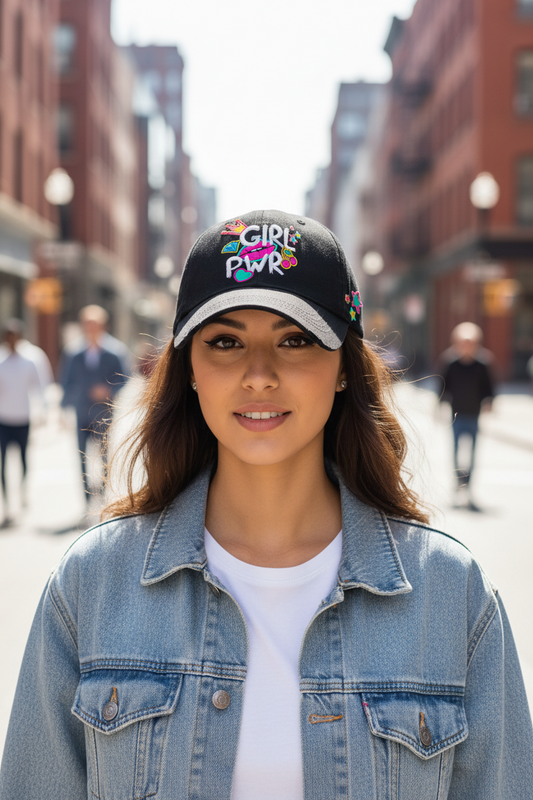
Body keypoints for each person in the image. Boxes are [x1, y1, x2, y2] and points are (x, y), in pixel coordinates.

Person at [1, 210, 531, 799]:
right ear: (191, 368)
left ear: (343, 368)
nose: (258, 375)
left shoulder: (453, 595)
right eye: (225, 342)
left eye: (295, 340)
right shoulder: (91, 584)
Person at [60, 305, 128, 501]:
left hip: (103, 413)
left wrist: (109, 391)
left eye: (94, 324)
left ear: (103, 325)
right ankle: (86, 496)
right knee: (82, 455)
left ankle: (104, 492)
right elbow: (66, 382)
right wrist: (63, 411)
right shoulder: (73, 352)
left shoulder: (115, 351)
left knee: (104, 455)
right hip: (81, 412)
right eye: (87, 324)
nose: (91, 328)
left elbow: (124, 379)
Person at [438, 322, 494, 508]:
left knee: (472, 453)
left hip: (474, 415)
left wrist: (489, 402)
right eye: (463, 342)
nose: (467, 346)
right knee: (455, 451)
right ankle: (457, 484)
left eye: (470, 342)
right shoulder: (450, 363)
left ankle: (468, 486)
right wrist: (439, 405)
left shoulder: (482, 363)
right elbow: (443, 385)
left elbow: (489, 387)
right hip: (456, 415)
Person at [0, 321, 42, 527]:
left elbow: (38, 387)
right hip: (3, 419)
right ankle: (8, 502)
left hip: (23, 418)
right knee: (3, 463)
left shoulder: (29, 360)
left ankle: (23, 491)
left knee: (24, 460)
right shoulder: (1, 361)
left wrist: (42, 413)